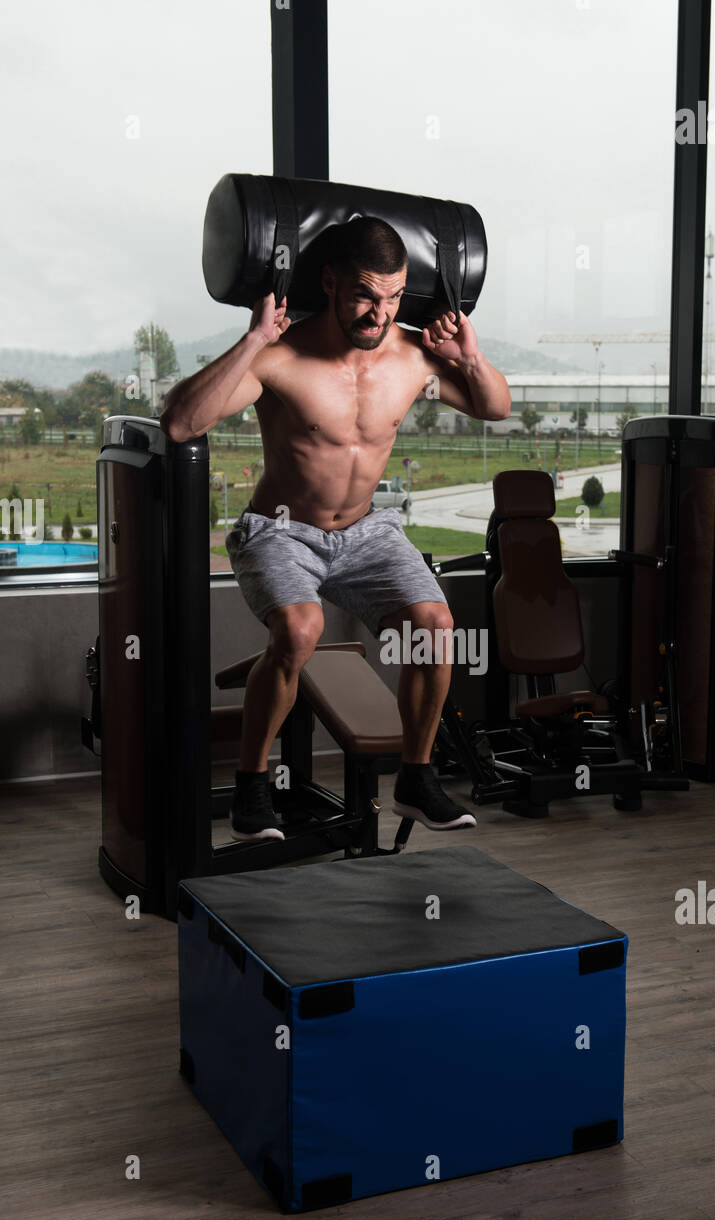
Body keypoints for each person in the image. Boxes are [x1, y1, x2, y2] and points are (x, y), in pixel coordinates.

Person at [160, 216, 511, 841]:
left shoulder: (411, 357)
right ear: (329, 282)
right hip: (280, 530)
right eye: (365, 296)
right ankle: (251, 786)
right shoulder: (283, 357)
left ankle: (416, 777)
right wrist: (251, 341)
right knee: (300, 629)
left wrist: (471, 357)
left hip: (366, 531)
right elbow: (181, 423)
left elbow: (496, 408)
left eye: (394, 297)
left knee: (435, 626)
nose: (380, 313)